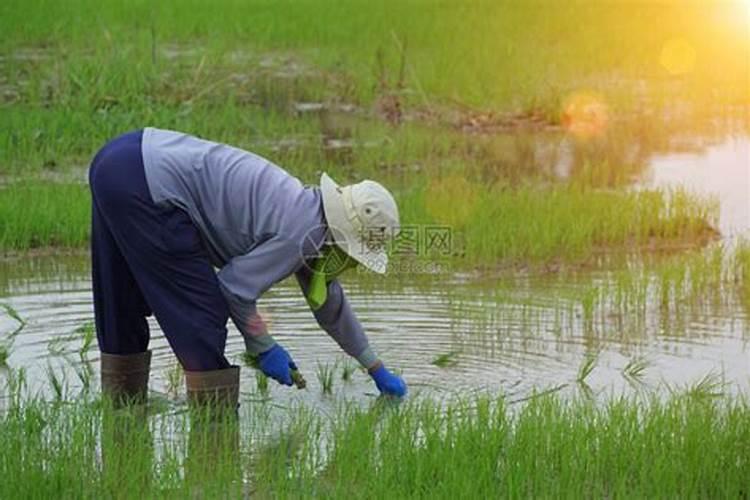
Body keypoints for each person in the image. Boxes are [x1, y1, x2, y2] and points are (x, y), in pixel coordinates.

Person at [88, 128, 407, 408]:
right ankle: (215, 429)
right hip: (147, 185)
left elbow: (328, 303)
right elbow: (234, 289)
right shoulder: (298, 234)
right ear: (343, 236)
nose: (350, 265)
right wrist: (263, 346)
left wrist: (375, 367)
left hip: (119, 160)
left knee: (120, 295)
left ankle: (122, 411)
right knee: (203, 312)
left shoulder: (309, 218)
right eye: (354, 256)